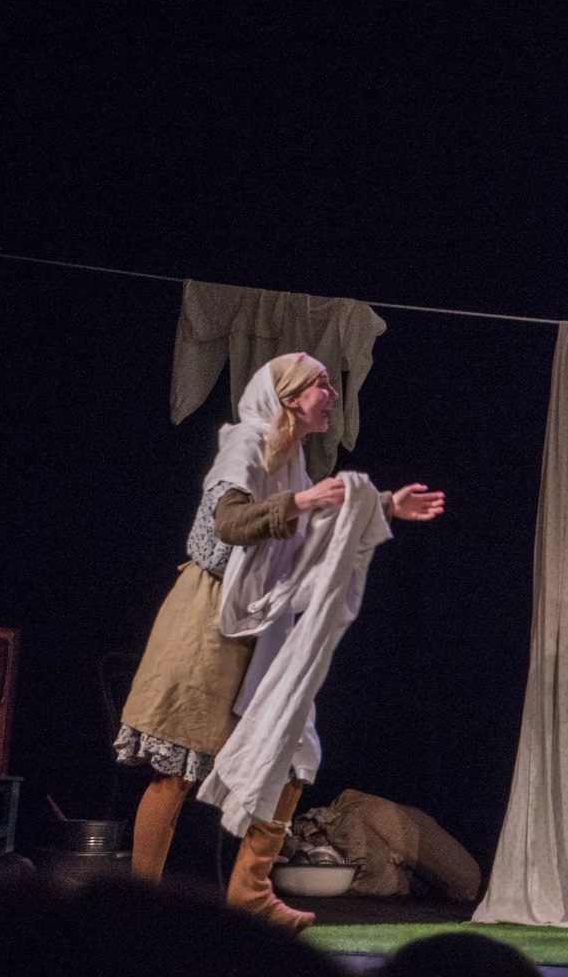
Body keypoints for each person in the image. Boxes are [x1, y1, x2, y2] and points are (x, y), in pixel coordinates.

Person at [114, 353, 445, 929]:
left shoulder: (292, 460)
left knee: (292, 754)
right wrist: (302, 502)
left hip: (262, 627)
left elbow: (318, 522)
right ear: (290, 398)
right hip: (208, 620)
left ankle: (249, 893)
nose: (332, 395)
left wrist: (387, 504)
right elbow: (230, 522)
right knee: (179, 764)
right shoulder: (246, 443)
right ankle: (140, 905)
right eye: (322, 385)